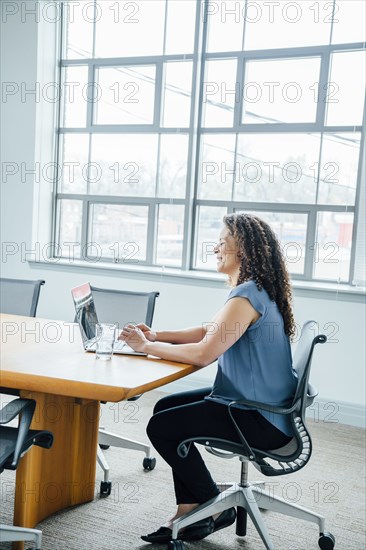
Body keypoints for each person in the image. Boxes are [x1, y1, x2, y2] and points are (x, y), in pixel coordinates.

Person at [120, 213, 297, 544]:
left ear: (242, 248)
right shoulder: (252, 291)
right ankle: (190, 504)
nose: (215, 248)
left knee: (162, 427)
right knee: (165, 408)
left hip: (257, 416)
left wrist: (147, 347)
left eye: (221, 242)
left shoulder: (247, 296)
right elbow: (208, 331)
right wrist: (158, 335)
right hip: (253, 406)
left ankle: (212, 504)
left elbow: (205, 353)